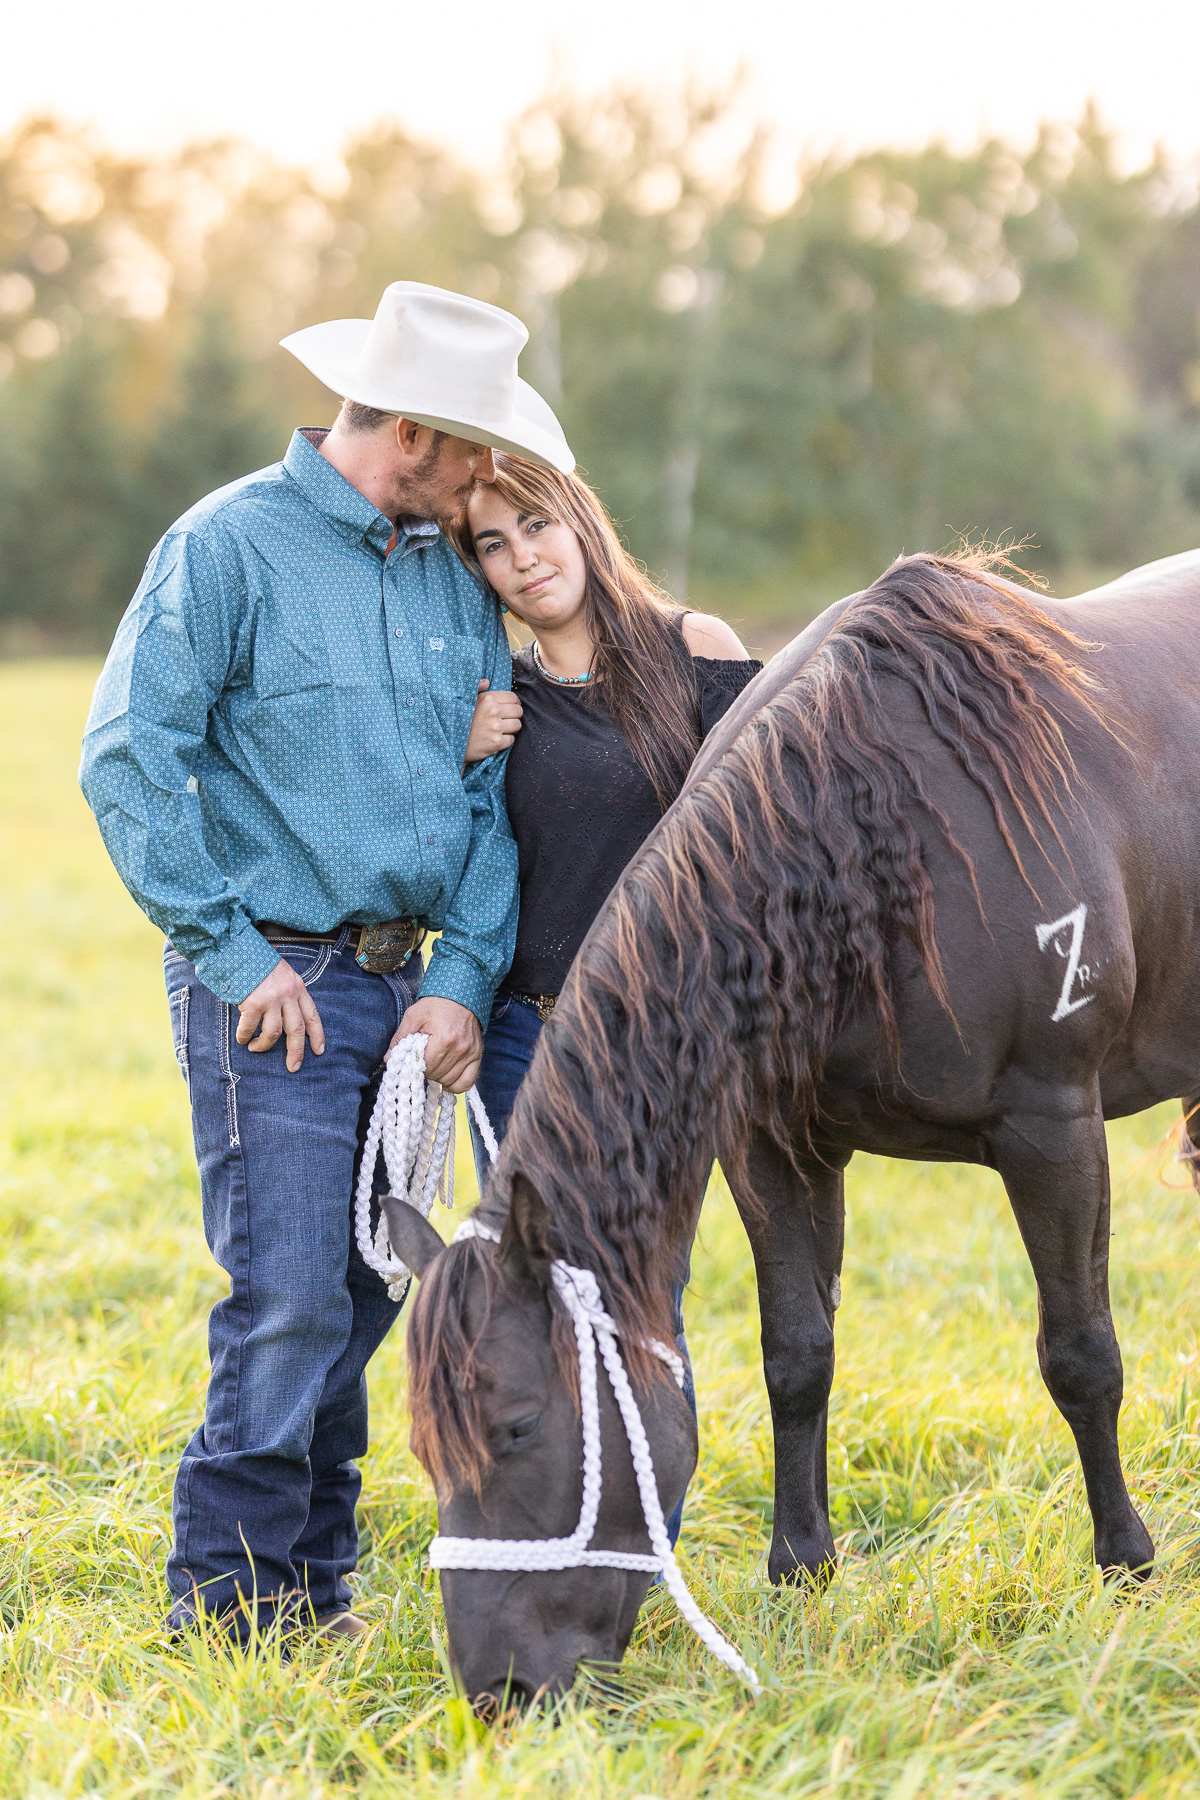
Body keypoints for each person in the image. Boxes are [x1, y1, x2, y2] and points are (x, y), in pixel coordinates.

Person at [79, 282, 573, 1646]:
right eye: (478, 449)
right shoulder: (229, 547)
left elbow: (486, 802)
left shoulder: (444, 578)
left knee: (361, 1296)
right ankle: (229, 1604)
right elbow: (126, 760)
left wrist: (459, 981)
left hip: (403, 991)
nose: (492, 479)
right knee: (290, 1291)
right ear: (414, 432)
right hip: (274, 988)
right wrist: (234, 960)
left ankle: (318, 1587)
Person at [448, 455, 763, 1543]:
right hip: (520, 1041)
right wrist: (460, 756)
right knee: (534, 1300)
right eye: (491, 543)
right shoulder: (494, 699)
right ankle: (539, 1524)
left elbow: (762, 850)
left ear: (581, 521)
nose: (522, 558)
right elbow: (464, 863)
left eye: (535, 526)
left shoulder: (698, 653)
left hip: (656, 1047)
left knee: (636, 1299)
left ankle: (635, 1543)